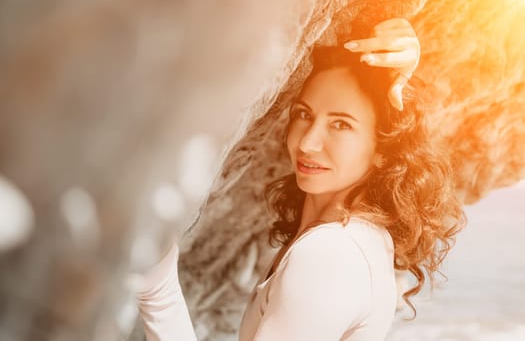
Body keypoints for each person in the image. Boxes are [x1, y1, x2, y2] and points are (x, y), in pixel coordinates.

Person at [133, 18, 466, 340]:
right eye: (303, 115)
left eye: (341, 124)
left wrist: (160, 294)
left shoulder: (330, 255)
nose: (307, 142)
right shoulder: (362, 239)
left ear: (383, 148)